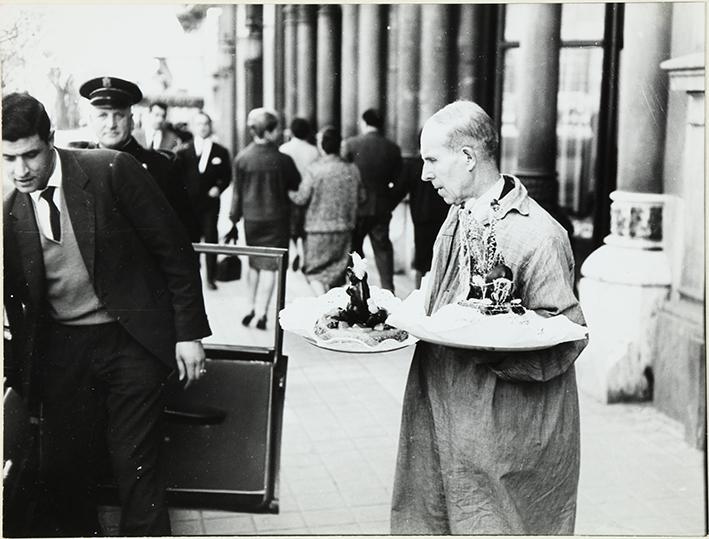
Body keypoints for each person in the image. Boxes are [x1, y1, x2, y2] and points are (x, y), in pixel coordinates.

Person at [2, 93, 211, 536]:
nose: (21, 171)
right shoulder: (10, 210)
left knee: (135, 463)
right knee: (64, 469)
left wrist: (188, 334)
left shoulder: (110, 170)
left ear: (52, 140)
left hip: (129, 340)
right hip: (63, 349)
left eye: (30, 155)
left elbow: (174, 252)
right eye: (8, 158)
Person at [390, 100, 588, 534]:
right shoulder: (457, 217)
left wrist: (489, 350)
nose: (423, 174)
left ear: (466, 158)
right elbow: (441, 305)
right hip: (438, 410)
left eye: (431, 160)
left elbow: (567, 337)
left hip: (502, 433)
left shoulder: (538, 233)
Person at [79, 76, 196, 237]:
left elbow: (185, 230)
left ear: (131, 121)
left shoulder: (161, 167)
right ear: (91, 121)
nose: (111, 124)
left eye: (119, 115)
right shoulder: (78, 167)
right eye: (103, 116)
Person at [229, 108, 300, 330]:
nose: (279, 132)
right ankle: (261, 313)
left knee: (253, 263)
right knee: (270, 267)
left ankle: (250, 306)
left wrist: (234, 218)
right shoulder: (283, 159)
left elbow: (237, 192)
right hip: (277, 219)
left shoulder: (242, 158)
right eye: (276, 128)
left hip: (252, 219)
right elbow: (295, 185)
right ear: (269, 131)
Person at [289, 126, 366, 295]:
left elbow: (301, 198)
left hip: (317, 230)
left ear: (322, 146)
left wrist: (288, 192)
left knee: (314, 273)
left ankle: (324, 307)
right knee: (337, 275)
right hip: (344, 229)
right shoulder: (352, 169)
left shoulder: (314, 169)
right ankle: (333, 310)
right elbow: (362, 197)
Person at [341, 108, 402, 293]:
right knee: (383, 249)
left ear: (364, 122)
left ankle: (357, 291)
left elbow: (344, 177)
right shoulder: (392, 148)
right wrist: (389, 202)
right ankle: (388, 290)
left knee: (355, 251)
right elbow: (400, 181)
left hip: (357, 208)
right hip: (382, 206)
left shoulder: (350, 145)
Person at [176, 111, 231, 290]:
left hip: (210, 203)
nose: (203, 127)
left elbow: (227, 175)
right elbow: (177, 177)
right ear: (193, 127)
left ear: (210, 126)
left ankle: (210, 277)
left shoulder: (220, 151)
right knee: (190, 239)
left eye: (206, 124)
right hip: (189, 204)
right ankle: (193, 275)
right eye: (199, 124)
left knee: (210, 238)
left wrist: (219, 187)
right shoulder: (184, 151)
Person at [279, 117, 319, 271]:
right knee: (305, 228)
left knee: (290, 227)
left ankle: (294, 250)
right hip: (308, 194)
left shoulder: (284, 149)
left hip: (289, 194)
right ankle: (306, 258)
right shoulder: (313, 150)